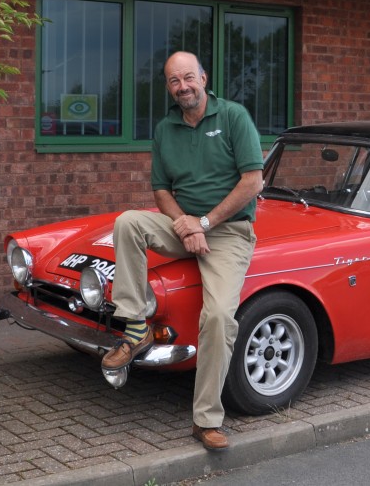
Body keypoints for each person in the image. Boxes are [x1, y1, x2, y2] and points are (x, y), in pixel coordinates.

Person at [101, 51, 264, 451]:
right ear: (169, 87)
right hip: (185, 224)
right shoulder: (166, 128)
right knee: (128, 222)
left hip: (228, 231)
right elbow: (161, 190)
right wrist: (183, 225)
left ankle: (205, 420)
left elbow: (253, 181)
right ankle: (136, 327)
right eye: (174, 81)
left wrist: (204, 223)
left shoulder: (233, 117)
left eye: (189, 78)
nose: (183, 86)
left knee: (221, 317)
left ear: (204, 78)